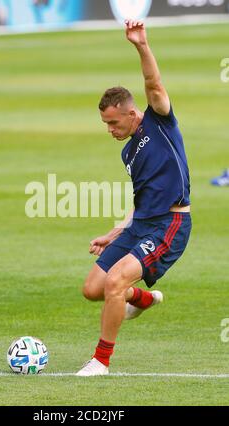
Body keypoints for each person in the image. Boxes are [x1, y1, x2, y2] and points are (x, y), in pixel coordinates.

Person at [76, 20, 192, 376]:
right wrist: (116, 231)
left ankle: (101, 361)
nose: (110, 130)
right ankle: (142, 300)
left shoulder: (160, 122)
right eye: (105, 125)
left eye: (113, 123)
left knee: (115, 282)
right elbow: (143, 201)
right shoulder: (128, 154)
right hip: (142, 223)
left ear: (131, 112)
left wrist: (141, 45)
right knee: (93, 288)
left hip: (170, 225)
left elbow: (153, 84)